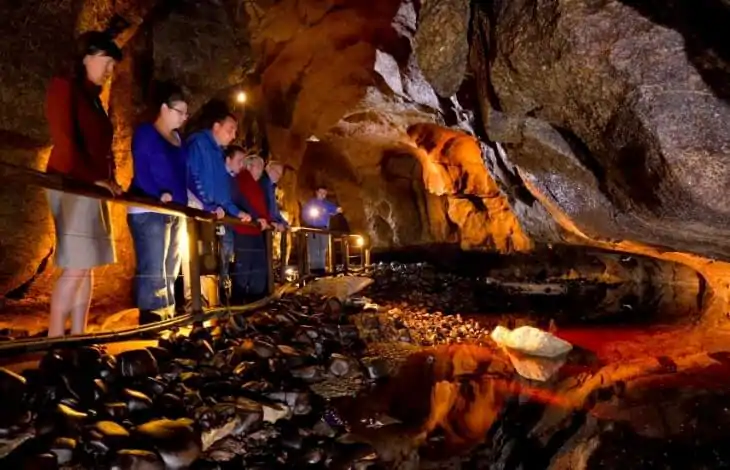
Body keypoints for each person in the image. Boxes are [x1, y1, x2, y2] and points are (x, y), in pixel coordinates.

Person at [44, 30, 123, 337]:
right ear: (86, 57)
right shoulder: (65, 87)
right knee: (77, 265)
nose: (109, 70)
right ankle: (54, 340)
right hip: (72, 183)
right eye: (107, 61)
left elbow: (100, 146)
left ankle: (78, 335)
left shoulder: (92, 97)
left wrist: (109, 179)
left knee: (87, 265)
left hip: (92, 186)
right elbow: (65, 141)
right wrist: (94, 178)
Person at [127, 83, 189, 325]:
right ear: (164, 108)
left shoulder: (178, 139)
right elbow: (142, 169)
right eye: (179, 111)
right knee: (154, 264)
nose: (184, 117)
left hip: (175, 209)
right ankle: (151, 318)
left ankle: (167, 312)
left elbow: (182, 174)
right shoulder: (146, 132)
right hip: (149, 207)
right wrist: (157, 193)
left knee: (171, 264)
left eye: (186, 114)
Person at [231, 153, 271, 303]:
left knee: (258, 267)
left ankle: (255, 300)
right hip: (245, 230)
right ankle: (239, 302)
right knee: (244, 267)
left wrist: (267, 220)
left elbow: (262, 207)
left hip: (256, 229)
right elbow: (242, 201)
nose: (261, 170)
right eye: (258, 166)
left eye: (262, 167)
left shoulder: (256, 185)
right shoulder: (242, 179)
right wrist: (255, 218)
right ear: (248, 166)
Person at [301, 186, 342, 275]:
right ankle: (314, 269)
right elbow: (305, 214)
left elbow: (336, 209)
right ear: (317, 192)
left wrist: (338, 210)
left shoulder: (327, 204)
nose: (323, 195)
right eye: (321, 193)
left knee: (323, 248)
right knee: (314, 248)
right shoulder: (311, 203)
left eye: (324, 193)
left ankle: (321, 268)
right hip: (313, 228)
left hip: (324, 229)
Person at [259, 161, 288, 232]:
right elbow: (268, 207)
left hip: (268, 223)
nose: (278, 176)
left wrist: (283, 222)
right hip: (263, 223)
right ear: (268, 168)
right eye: (276, 172)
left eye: (280, 174)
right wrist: (274, 221)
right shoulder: (263, 183)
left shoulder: (271, 186)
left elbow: (274, 209)